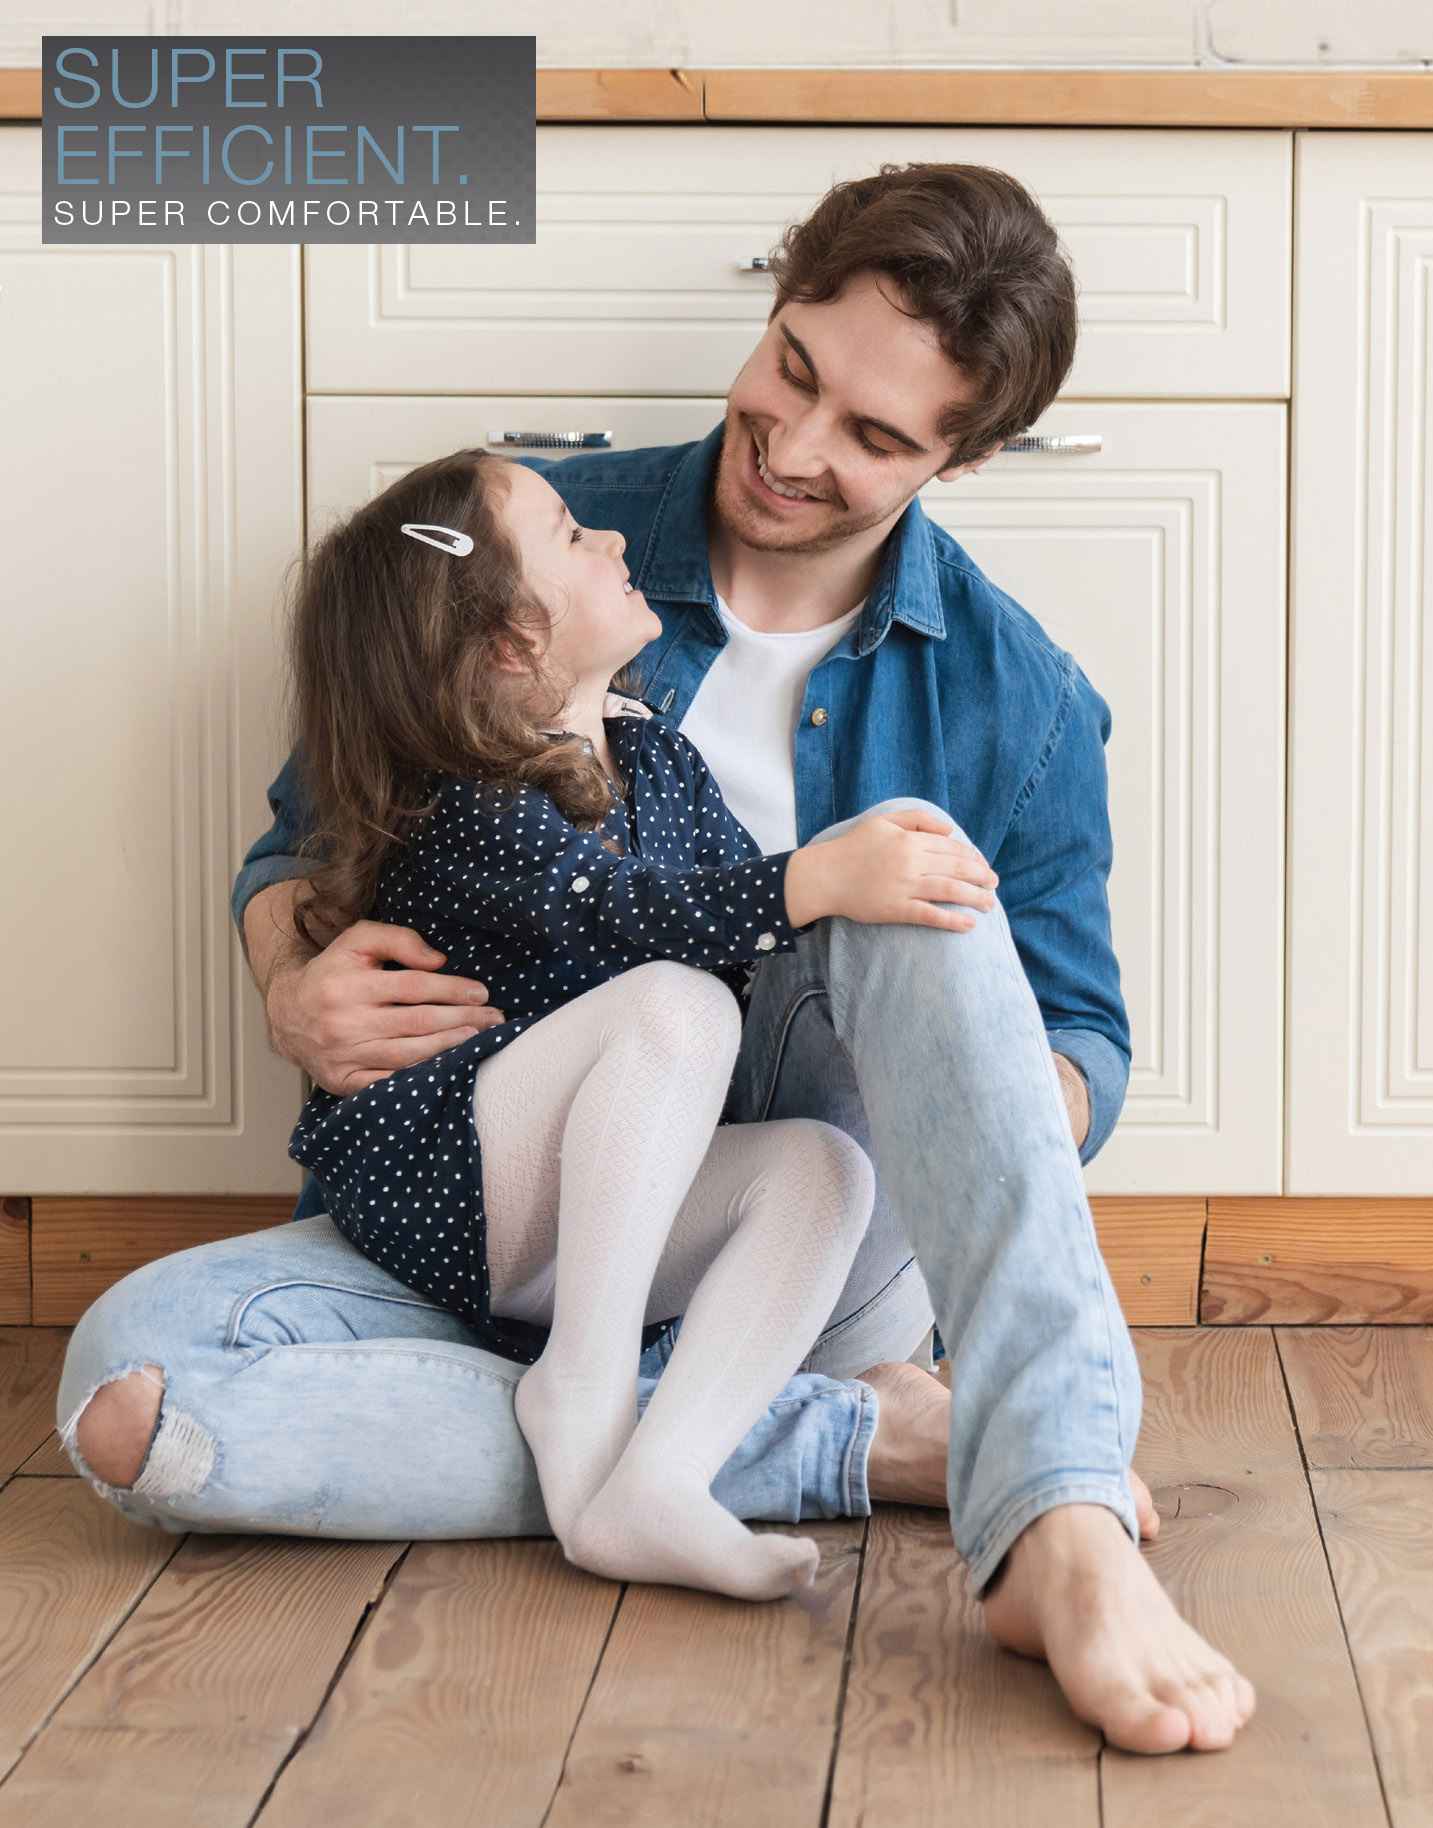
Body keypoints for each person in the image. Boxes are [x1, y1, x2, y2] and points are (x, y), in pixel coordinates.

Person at [58, 161, 1255, 1752]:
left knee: (906, 875)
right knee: (129, 1391)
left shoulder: (1016, 693)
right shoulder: (535, 546)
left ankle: (1054, 1505)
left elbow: (1083, 1037)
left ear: (962, 460)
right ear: (777, 304)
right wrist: (291, 976)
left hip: (789, 1236)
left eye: (873, 436)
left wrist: (955, 1066)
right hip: (492, 1212)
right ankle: (833, 1444)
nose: (794, 447)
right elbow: (304, 840)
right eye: (793, 370)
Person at [281, 444, 994, 1602]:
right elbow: (622, 910)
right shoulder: (466, 804)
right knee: (674, 997)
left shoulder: (655, 759)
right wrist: (817, 877)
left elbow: (736, 927)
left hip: (574, 1204)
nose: (613, 540)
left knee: (820, 1171)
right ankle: (582, 1390)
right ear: (508, 642)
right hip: (448, 1178)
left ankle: (660, 1478)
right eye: (571, 535)